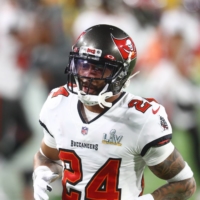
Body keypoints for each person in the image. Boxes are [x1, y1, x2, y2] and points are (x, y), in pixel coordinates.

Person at [32, 24, 196, 200]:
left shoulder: (140, 118)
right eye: (82, 65)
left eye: (97, 69)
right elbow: (47, 157)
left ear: (120, 74)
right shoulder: (59, 103)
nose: (86, 75)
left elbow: (185, 184)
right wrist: (42, 171)